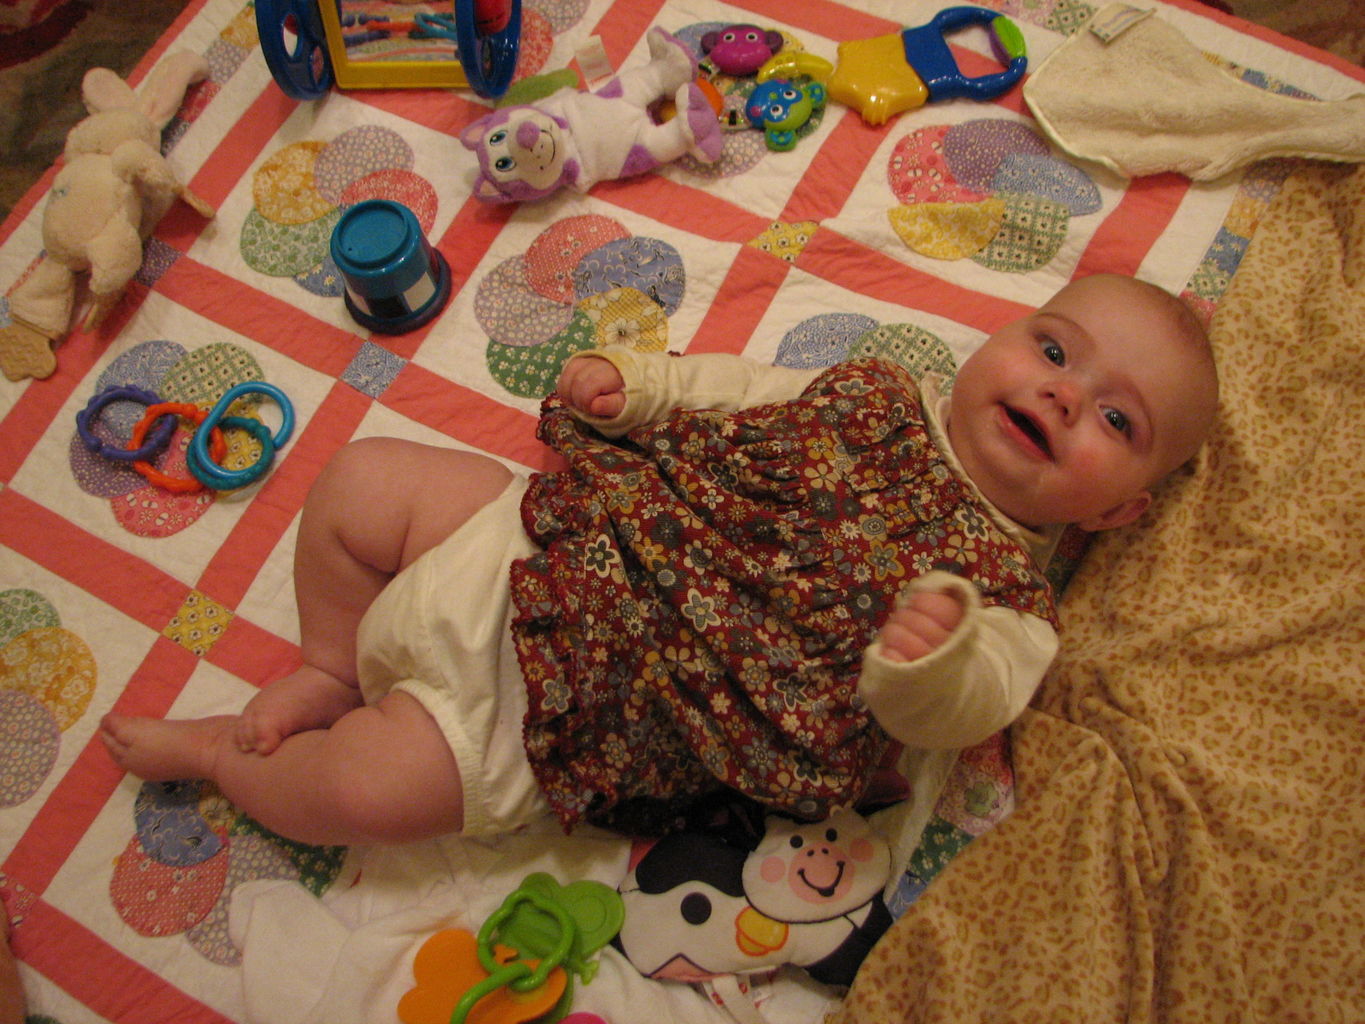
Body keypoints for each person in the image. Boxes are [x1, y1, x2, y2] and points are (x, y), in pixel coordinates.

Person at [100, 273, 1219, 845]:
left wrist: (927, 663)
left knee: (355, 789)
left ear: (1119, 514)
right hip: (553, 533)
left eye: (1116, 423)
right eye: (1055, 348)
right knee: (361, 481)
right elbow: (737, 387)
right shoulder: (879, 384)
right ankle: (333, 662)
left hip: (573, 706)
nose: (1065, 393)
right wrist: (642, 388)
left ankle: (222, 758)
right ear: (1005, 337)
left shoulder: (1008, 600)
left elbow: (969, 699)